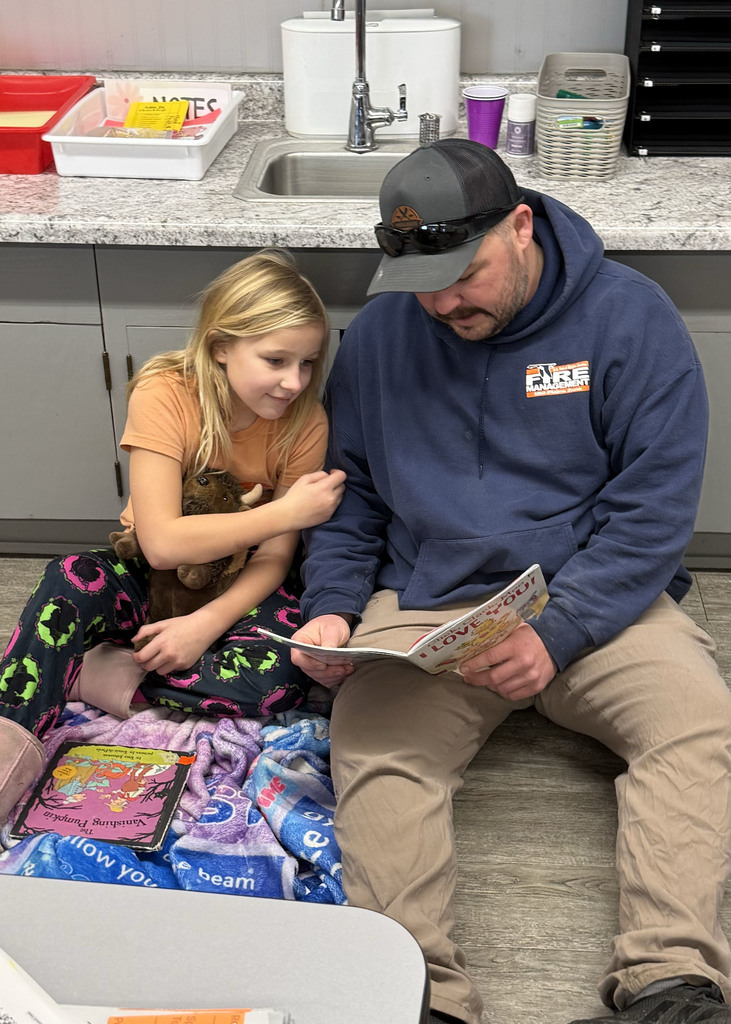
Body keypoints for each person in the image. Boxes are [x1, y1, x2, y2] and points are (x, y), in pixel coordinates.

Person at [288, 139, 731, 1024]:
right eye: (421, 283)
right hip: (429, 600)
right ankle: (416, 996)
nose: (443, 303)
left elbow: (651, 511)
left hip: (590, 593)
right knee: (372, 748)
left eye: (463, 274)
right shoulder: (377, 337)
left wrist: (557, 632)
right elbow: (350, 495)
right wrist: (332, 610)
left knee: (696, 725)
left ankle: (670, 985)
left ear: (520, 226)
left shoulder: (631, 319)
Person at [0, 248, 345, 828]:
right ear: (220, 347)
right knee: (67, 580)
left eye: (308, 362)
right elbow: (160, 544)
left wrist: (203, 625)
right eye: (276, 360)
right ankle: (9, 747)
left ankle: (97, 673)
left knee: (284, 678)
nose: (295, 381)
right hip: (151, 575)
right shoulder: (165, 390)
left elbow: (276, 559)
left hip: (240, 589)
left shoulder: (306, 422)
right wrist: (288, 511)